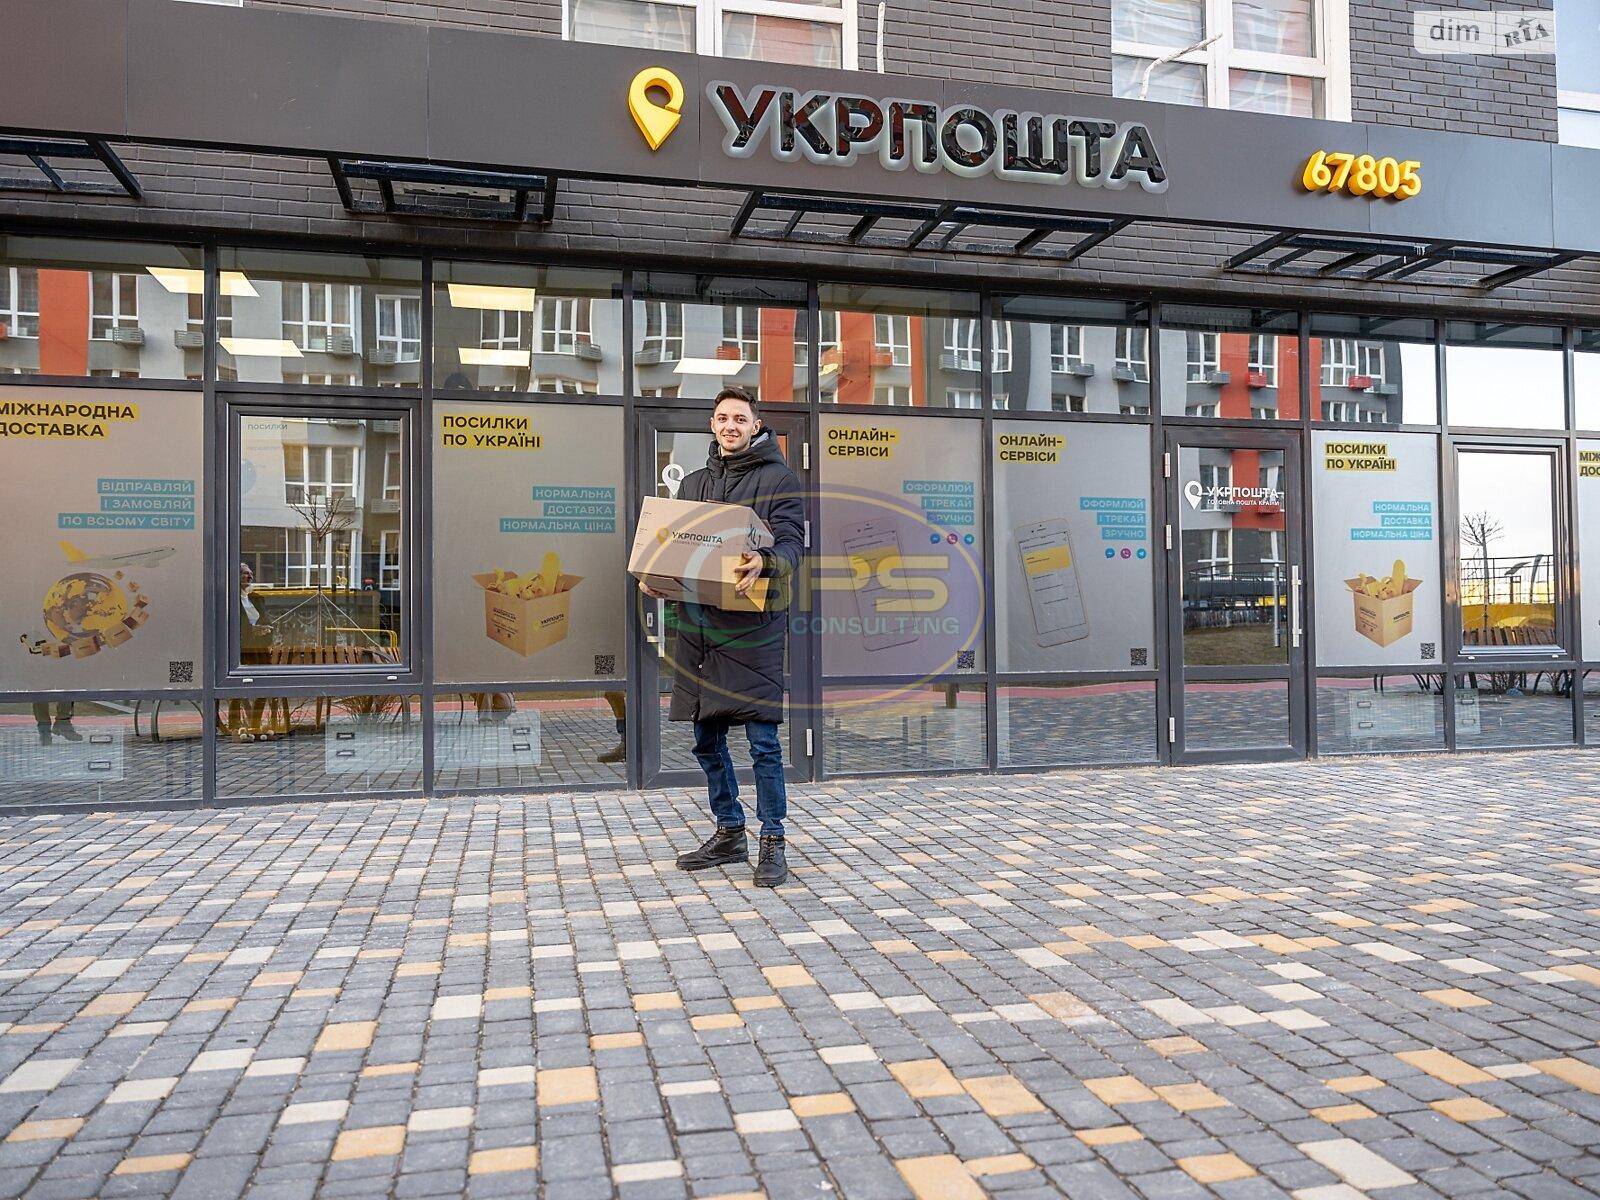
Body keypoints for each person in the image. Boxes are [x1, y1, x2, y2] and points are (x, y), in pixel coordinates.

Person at [640, 386, 804, 888]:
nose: (730, 425)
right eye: (722, 418)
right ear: (713, 425)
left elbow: (794, 545)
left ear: (756, 426)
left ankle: (772, 839)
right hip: (699, 628)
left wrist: (765, 561)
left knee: (762, 742)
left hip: (754, 628)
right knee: (706, 741)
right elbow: (673, 548)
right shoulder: (693, 484)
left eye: (740, 418)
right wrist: (656, 577)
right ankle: (730, 830)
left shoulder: (779, 479)